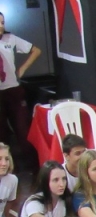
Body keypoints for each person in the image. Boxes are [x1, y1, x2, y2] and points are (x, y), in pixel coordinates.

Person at [0, 12, 41, 163]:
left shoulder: (10, 38)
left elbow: (36, 50)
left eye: (2, 22)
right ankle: (5, 168)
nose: (1, 26)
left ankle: (33, 167)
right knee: (2, 134)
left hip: (13, 91)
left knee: (23, 130)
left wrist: (22, 69)